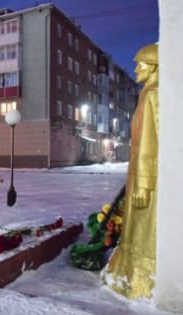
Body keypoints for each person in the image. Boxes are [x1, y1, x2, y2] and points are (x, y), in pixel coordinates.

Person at [103, 43, 158, 299]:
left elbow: (150, 140)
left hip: (146, 176)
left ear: (154, 67)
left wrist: (145, 182)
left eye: (141, 64)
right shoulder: (148, 93)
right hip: (139, 174)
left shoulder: (152, 95)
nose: (135, 69)